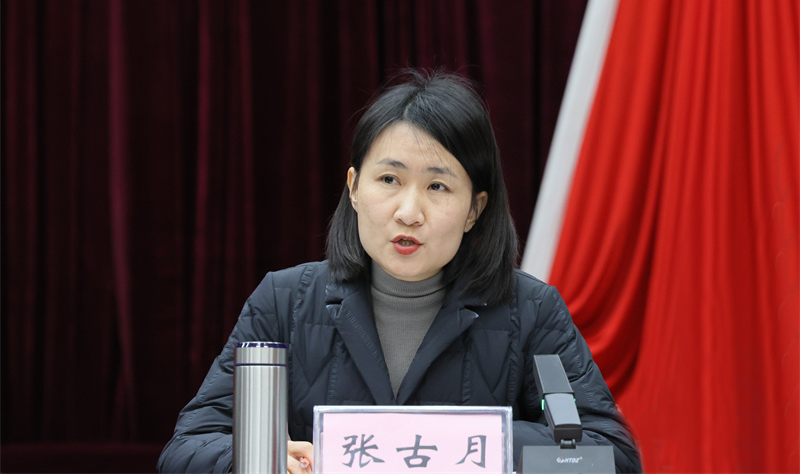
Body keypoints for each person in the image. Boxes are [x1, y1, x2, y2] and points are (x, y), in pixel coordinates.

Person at [157, 69, 642, 473]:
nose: (409, 212)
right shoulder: (283, 301)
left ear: (474, 209)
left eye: (437, 187)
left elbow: (612, 458)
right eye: (389, 179)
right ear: (353, 187)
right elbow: (187, 449)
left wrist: (470, 443)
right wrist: (259, 459)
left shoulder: (532, 312)